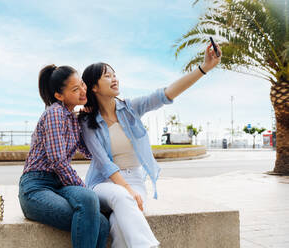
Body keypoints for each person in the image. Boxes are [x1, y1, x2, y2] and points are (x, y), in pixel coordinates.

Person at [79, 44, 222, 248]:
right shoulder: (87, 121)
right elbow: (103, 163)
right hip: (103, 183)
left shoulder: (130, 109)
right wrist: (127, 189)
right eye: (107, 76)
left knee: (118, 225)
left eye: (114, 74)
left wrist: (204, 67)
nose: (115, 78)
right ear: (94, 87)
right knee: (121, 195)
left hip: (135, 179)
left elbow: (165, 94)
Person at [18, 65, 109, 248]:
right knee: (92, 209)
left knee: (103, 223)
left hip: (60, 185)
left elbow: (88, 152)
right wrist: (84, 188)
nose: (83, 91)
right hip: (36, 187)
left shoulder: (73, 119)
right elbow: (58, 161)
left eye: (82, 85)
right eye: (75, 89)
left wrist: (86, 121)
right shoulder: (55, 113)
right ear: (59, 96)